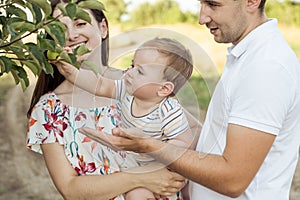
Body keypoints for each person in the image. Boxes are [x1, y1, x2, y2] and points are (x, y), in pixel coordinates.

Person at [79, 0, 300, 199]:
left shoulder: (266, 68)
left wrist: (148, 145)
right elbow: (222, 139)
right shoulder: (248, 57)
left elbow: (233, 180)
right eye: (201, 4)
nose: (201, 18)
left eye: (213, 5)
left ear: (251, 2)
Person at [26, 1, 187, 200]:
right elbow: (70, 190)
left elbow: (189, 136)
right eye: (60, 28)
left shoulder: (143, 86)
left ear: (103, 29)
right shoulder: (48, 111)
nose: (71, 35)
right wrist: (140, 178)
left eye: (80, 23)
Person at [57, 37, 195, 200]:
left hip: (162, 165)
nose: (129, 72)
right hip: (137, 162)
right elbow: (100, 85)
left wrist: (154, 149)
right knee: (134, 192)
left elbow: (184, 142)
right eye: (132, 65)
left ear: (164, 89)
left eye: (140, 71)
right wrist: (72, 73)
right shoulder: (128, 91)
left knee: (141, 195)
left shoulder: (168, 110)